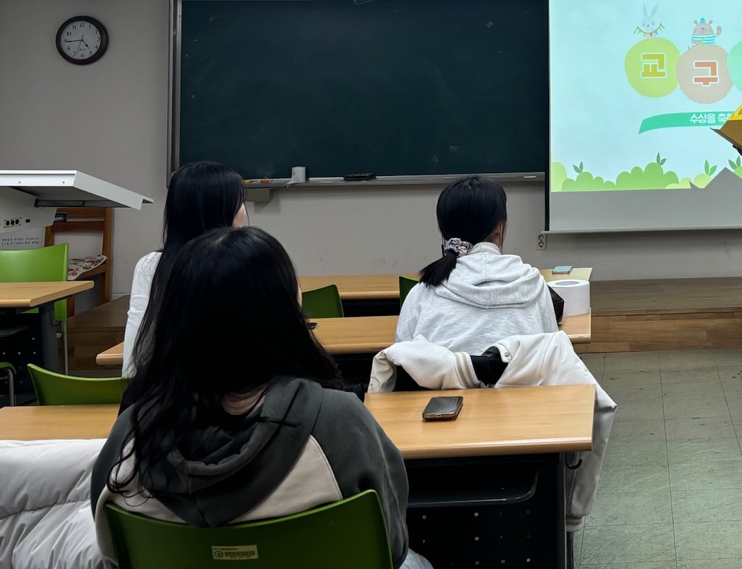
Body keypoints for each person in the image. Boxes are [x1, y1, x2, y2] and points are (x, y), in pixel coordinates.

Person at [92, 228, 429, 569]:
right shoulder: (338, 422)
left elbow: (111, 552)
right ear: (285, 310)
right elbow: (391, 544)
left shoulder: (130, 437)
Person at [395, 175, 560, 351]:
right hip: (520, 371)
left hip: (443, 371)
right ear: (499, 228)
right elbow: (553, 353)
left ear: (444, 230)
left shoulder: (422, 292)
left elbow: (401, 355)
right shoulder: (534, 284)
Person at [123, 161, 246, 377]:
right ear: (220, 210)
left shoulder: (151, 265)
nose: (244, 210)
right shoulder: (246, 262)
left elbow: (134, 355)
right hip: (230, 391)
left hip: (162, 392)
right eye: (240, 202)